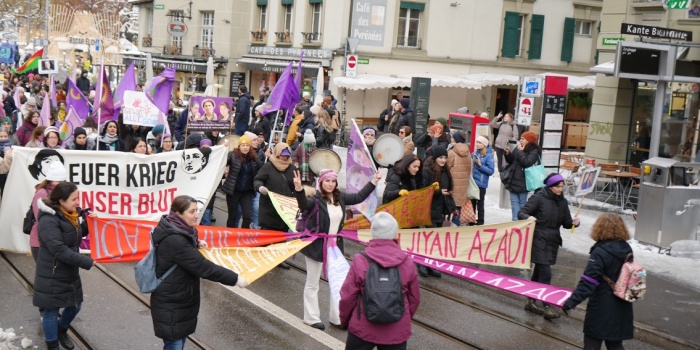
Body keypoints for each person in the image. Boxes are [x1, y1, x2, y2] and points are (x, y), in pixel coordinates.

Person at [150, 195, 247, 350]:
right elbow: (204, 267)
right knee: (175, 344)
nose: (197, 215)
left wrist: (195, 244)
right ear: (178, 214)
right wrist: (235, 279)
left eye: (197, 210)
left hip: (178, 299)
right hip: (172, 303)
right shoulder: (176, 240)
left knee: (177, 341)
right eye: (192, 211)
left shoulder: (179, 229)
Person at [294, 168, 381, 331]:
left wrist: (374, 181)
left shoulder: (339, 198)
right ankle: (311, 318)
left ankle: (337, 317)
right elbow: (303, 204)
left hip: (334, 246)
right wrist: (299, 189)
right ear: (321, 182)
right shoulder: (315, 199)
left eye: (333, 181)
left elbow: (359, 197)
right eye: (327, 181)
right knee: (313, 283)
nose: (330, 184)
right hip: (316, 245)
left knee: (337, 282)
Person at [339, 212, 420, 349]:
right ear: (395, 234)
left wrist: (345, 320)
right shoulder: (407, 262)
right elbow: (414, 299)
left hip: (362, 329)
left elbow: (348, 296)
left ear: (373, 234)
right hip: (397, 331)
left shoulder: (360, 259)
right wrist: (404, 318)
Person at [34, 181, 95, 350]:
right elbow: (59, 250)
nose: (78, 202)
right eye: (74, 199)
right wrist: (86, 261)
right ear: (61, 200)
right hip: (52, 273)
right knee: (51, 311)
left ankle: (62, 329)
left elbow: (75, 235)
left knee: (75, 305)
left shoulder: (70, 214)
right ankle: (52, 344)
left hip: (69, 270)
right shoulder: (48, 220)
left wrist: (89, 223)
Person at [562, 213, 634, 350]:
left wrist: (571, 302)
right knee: (614, 343)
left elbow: (588, 282)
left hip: (602, 305)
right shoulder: (626, 248)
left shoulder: (600, 252)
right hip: (621, 304)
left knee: (592, 342)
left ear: (599, 228)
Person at [518, 173, 580, 320]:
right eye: (558, 187)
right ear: (551, 186)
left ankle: (530, 301)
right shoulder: (538, 198)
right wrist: (528, 217)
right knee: (546, 272)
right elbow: (522, 213)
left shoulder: (562, 202)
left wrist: (574, 223)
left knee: (539, 272)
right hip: (538, 239)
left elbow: (566, 223)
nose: (561, 189)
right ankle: (547, 305)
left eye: (562, 186)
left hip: (553, 241)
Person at [253, 143, 297, 269]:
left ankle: (277, 259)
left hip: (285, 207)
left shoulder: (292, 168)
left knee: (282, 233)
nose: (285, 158)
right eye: (283, 155)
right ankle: (260, 256)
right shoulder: (268, 166)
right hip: (269, 206)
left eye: (287, 155)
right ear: (277, 153)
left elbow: (296, 185)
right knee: (266, 233)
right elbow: (257, 180)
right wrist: (260, 188)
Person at [222, 135, 260, 228]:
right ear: (239, 146)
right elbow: (223, 162)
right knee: (233, 216)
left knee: (247, 216)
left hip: (247, 191)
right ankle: (230, 235)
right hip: (233, 190)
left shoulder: (254, 157)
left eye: (247, 145)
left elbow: (262, 168)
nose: (245, 147)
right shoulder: (232, 155)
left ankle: (242, 236)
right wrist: (223, 149)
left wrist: (269, 156)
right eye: (243, 145)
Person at [503, 131, 540, 221]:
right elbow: (511, 161)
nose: (520, 140)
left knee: (522, 203)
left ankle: (522, 222)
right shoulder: (518, 148)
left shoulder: (534, 151)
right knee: (514, 202)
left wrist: (520, 152)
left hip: (524, 182)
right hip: (513, 180)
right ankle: (515, 220)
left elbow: (527, 163)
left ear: (529, 140)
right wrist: (508, 154)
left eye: (523, 139)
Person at [446, 131, 472, 226]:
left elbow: (447, 167)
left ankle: (448, 223)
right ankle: (456, 223)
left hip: (453, 182)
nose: (451, 138)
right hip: (463, 183)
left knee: (450, 203)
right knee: (459, 205)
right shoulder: (467, 152)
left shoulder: (452, 152)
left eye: (453, 137)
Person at [471, 136, 495, 225]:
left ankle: (480, 221)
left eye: (479, 142)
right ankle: (471, 220)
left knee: (480, 204)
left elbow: (491, 171)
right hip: (473, 182)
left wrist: (480, 166)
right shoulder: (475, 153)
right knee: (472, 203)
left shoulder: (488, 156)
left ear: (484, 145)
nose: (477, 144)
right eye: (476, 142)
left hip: (481, 184)